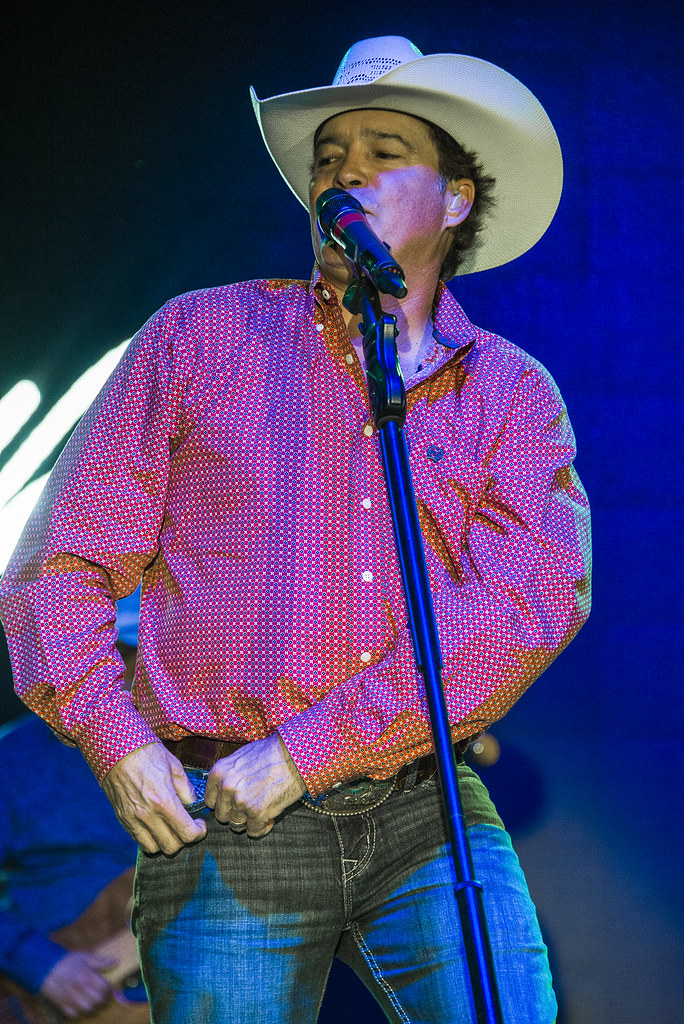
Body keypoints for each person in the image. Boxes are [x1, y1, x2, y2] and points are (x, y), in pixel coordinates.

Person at [0, 35, 591, 1024]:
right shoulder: (200, 336)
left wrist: (308, 752)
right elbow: (61, 563)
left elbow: (525, 604)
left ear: (455, 201)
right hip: (224, 814)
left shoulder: (512, 394)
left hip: (428, 811)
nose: (343, 168)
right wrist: (117, 739)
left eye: (383, 147)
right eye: (328, 155)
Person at [0, 593, 149, 1022]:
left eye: (129, 650)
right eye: (103, 651)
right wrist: (44, 966)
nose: (117, 664)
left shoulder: (202, 744)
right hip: (40, 996)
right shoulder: (13, 757)